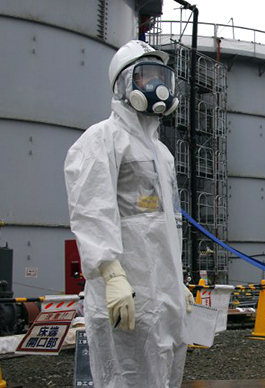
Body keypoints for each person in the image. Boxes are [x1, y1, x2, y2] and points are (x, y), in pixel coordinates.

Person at [64, 40, 194, 388]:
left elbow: (168, 224)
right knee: (128, 372)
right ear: (124, 84)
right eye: (146, 77)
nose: (158, 87)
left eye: (162, 77)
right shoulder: (102, 139)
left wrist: (177, 279)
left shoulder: (162, 154)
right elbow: (92, 209)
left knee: (167, 364)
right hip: (126, 288)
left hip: (162, 286)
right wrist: (110, 274)